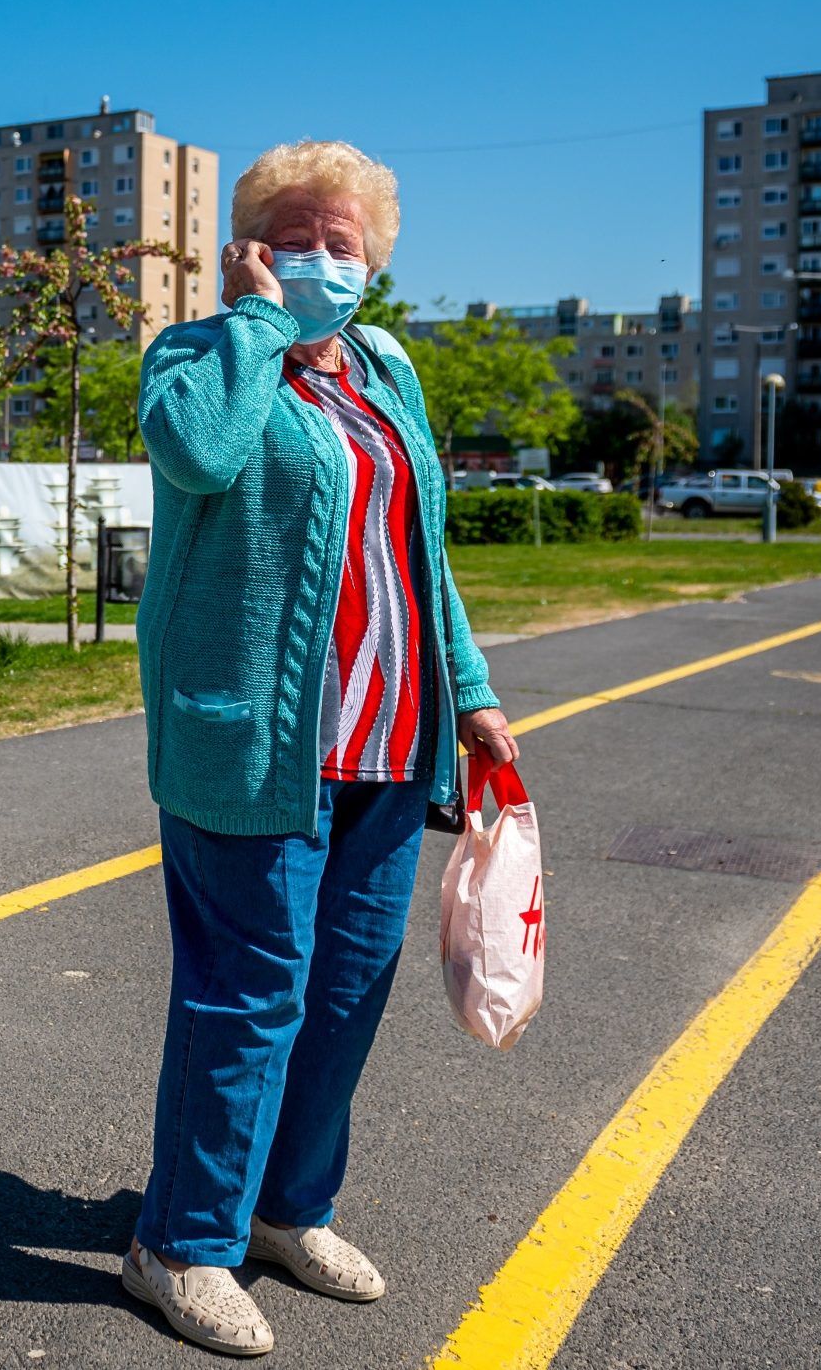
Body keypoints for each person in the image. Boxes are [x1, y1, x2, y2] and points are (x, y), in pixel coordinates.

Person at [122, 140, 518, 1357]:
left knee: (345, 993)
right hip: (251, 745)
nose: (317, 259)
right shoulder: (198, 356)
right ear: (251, 246)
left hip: (391, 749)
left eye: (338, 242)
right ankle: (180, 1243)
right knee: (249, 995)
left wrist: (472, 694)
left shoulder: (388, 370)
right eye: (292, 237)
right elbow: (197, 456)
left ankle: (288, 1210)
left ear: (374, 260)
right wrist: (250, 319)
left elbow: (421, 552)